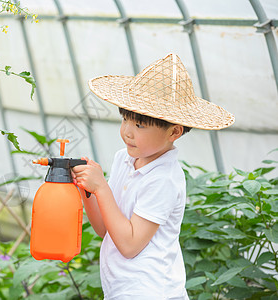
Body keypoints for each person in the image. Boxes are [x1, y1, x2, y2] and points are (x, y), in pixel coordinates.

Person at [72, 53, 235, 299]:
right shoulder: (123, 160)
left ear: (174, 132)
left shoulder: (164, 178)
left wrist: (102, 188)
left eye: (140, 125)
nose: (127, 131)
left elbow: (129, 245)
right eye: (125, 118)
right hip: (121, 289)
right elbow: (107, 231)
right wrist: (88, 189)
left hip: (152, 290)